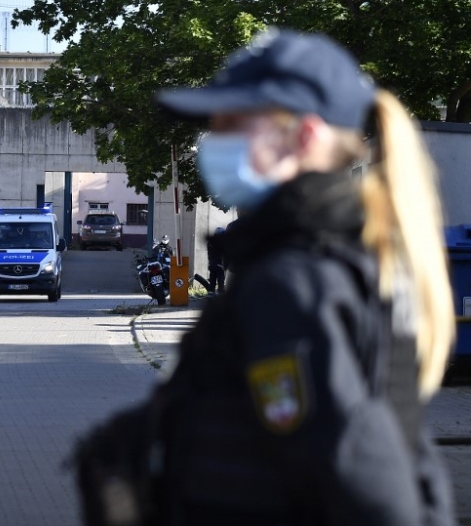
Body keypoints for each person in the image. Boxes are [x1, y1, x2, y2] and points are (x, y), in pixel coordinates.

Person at [74, 29, 456, 526]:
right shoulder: (342, 262)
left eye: (233, 124)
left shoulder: (293, 285)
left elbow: (371, 492)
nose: (212, 142)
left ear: (304, 136)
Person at [206, 226, 227, 294]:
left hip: (211, 264)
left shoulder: (210, 243)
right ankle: (220, 293)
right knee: (221, 280)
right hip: (219, 264)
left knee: (212, 279)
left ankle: (211, 292)